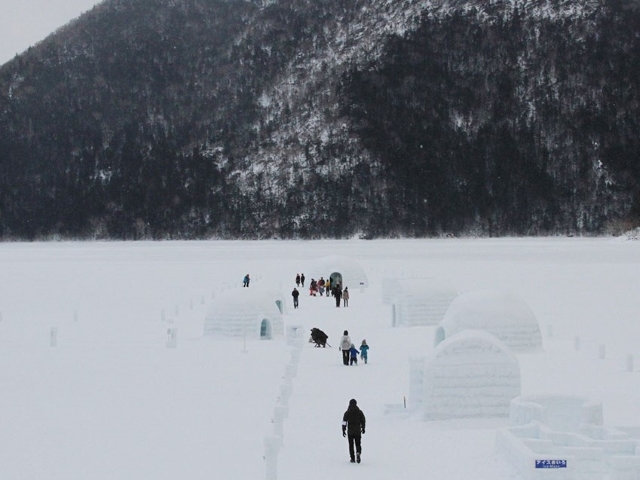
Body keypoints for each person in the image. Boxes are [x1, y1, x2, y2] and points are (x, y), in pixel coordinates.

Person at [342, 399, 366, 464]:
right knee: (358, 444)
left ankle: (352, 458)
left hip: (350, 431)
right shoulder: (359, 412)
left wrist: (343, 430)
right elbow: (363, 420)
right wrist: (363, 428)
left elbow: (344, 422)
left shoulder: (347, 412)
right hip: (357, 431)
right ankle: (358, 452)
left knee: (351, 445)